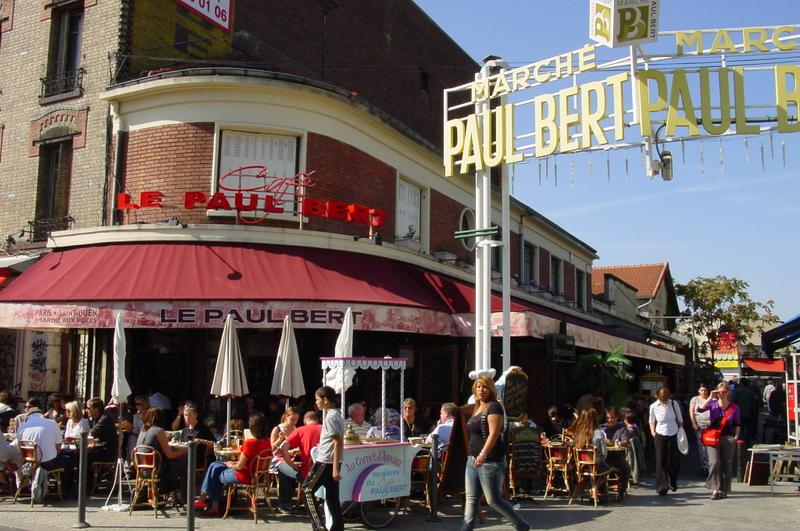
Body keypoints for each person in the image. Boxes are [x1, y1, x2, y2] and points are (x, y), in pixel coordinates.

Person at [462, 376, 530, 531]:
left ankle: (521, 524)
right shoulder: (477, 407)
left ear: (491, 389)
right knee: (471, 498)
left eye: (484, 387)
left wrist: (483, 454)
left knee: (493, 500)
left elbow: (494, 434)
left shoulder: (494, 407)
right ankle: (466, 528)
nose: (481, 389)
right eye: (478, 386)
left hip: (490, 461)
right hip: (472, 460)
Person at [194, 412, 271, 517]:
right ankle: (206, 501)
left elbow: (239, 466)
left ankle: (209, 503)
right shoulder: (267, 441)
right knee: (215, 465)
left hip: (243, 475)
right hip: (256, 475)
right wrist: (231, 464)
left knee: (216, 471)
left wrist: (230, 465)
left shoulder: (250, 443)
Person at [301, 386, 344, 531]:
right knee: (332, 497)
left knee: (307, 490)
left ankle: (319, 527)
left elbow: (337, 441)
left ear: (325, 400)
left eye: (318, 399)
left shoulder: (331, 417)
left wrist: (335, 468)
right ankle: (337, 528)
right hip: (331, 462)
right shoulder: (336, 414)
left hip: (326, 461)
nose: (316, 402)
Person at [16, 398, 75, 497]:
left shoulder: (23, 426)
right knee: (71, 459)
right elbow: (58, 448)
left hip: (29, 463)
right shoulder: (52, 423)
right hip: (48, 463)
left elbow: (19, 448)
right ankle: (63, 490)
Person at [697, 382, 741, 500]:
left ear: (728, 393)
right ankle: (716, 488)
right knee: (715, 462)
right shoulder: (712, 404)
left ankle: (723, 489)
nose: (721, 393)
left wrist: (736, 436)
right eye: (719, 391)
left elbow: (737, 423)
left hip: (727, 437)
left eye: (724, 391)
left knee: (726, 464)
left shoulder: (734, 407)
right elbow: (699, 409)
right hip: (712, 437)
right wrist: (710, 397)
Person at [136, 407, 189, 497]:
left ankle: (177, 495)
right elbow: (170, 455)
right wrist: (185, 451)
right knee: (184, 462)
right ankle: (181, 495)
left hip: (142, 470)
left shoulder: (143, 429)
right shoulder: (159, 431)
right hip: (157, 471)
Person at [648, 386, 683, 496]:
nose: (665, 399)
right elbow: (651, 420)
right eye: (662, 397)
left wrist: (681, 429)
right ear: (658, 396)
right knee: (660, 460)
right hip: (660, 434)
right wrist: (653, 432)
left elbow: (679, 418)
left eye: (666, 396)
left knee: (674, 460)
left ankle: (673, 479)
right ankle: (662, 486)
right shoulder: (653, 406)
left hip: (673, 433)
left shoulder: (673, 404)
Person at [86, 397, 118, 465]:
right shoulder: (96, 419)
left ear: (96, 409)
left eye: (89, 408)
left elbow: (92, 433)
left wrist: (87, 442)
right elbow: (94, 437)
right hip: (100, 449)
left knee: (83, 456)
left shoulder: (104, 418)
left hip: (106, 452)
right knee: (78, 454)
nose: (86, 410)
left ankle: (88, 475)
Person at [690, 384, 712, 474]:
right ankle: (704, 465)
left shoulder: (711, 399)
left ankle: (710, 464)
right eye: (701, 390)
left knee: (709, 445)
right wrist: (693, 423)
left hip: (710, 425)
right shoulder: (695, 399)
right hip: (699, 425)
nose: (703, 392)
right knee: (701, 446)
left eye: (705, 390)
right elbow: (691, 411)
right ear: (698, 391)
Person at [732, 378, 758, 445]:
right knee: (748, 428)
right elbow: (753, 404)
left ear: (740, 383)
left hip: (738, 413)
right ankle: (747, 441)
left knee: (739, 427)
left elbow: (733, 403)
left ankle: (739, 440)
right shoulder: (751, 392)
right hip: (749, 413)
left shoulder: (736, 391)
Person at [127, 395, 149, 461]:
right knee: (132, 438)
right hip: (137, 436)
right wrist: (130, 428)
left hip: (147, 435)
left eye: (138, 404)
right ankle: (132, 460)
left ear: (144, 404)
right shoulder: (135, 416)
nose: (136, 406)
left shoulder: (150, 414)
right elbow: (135, 429)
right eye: (135, 404)